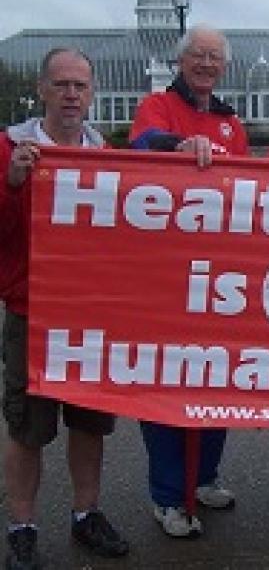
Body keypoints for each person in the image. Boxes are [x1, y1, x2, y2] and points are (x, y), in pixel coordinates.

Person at [0, 48, 129, 569]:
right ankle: (22, 527)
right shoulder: (11, 148)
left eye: (80, 85)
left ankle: (85, 515)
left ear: (92, 92)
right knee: (28, 429)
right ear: (43, 90)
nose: (71, 95)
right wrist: (11, 184)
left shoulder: (110, 157)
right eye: (62, 85)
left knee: (89, 424)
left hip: (92, 312)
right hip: (33, 311)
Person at [129, 25, 248, 538]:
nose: (205, 63)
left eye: (214, 57)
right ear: (181, 61)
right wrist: (179, 144)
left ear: (223, 66)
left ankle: (203, 477)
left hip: (218, 272)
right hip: (168, 272)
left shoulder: (230, 121)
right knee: (165, 382)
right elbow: (142, 146)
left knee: (215, 375)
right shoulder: (157, 104)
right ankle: (167, 495)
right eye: (197, 54)